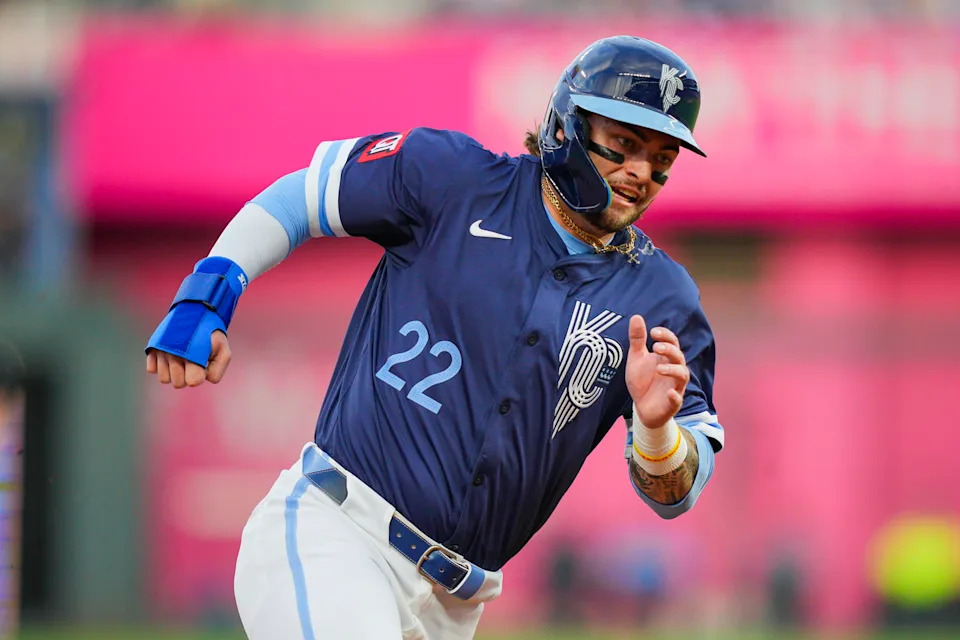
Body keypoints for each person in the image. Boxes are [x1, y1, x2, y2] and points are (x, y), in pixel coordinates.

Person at [145, 35, 725, 639]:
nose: (640, 172)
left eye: (662, 157)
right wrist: (207, 296)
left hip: (454, 607)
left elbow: (674, 495)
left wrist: (657, 432)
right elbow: (302, 199)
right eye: (624, 143)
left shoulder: (664, 299)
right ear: (566, 125)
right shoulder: (453, 178)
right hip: (339, 537)